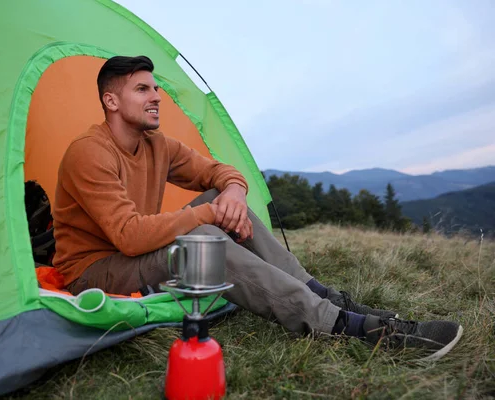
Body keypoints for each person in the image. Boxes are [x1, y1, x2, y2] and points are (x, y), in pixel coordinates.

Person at [51, 55, 463, 360]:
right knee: (203, 239)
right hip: (96, 268)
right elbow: (129, 235)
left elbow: (221, 171)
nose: (157, 96)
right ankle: (341, 326)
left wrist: (231, 192)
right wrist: (212, 214)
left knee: (218, 204)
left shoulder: (158, 144)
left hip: (135, 254)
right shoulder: (89, 153)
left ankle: (324, 296)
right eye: (143, 89)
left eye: (156, 88)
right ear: (111, 101)